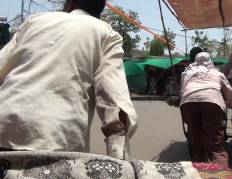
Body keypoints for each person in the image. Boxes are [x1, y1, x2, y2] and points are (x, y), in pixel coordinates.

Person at [0, 0, 137, 160]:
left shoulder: (34, 21)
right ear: (100, 10)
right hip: (59, 142)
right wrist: (119, 159)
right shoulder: (106, 33)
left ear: (70, 4)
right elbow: (113, 99)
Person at [180, 52, 232, 166]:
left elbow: (182, 91)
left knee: (197, 146)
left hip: (189, 102)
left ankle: (200, 173)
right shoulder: (217, 73)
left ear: (195, 61)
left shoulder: (187, 73)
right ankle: (220, 175)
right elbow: (230, 93)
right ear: (210, 61)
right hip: (212, 102)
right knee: (216, 148)